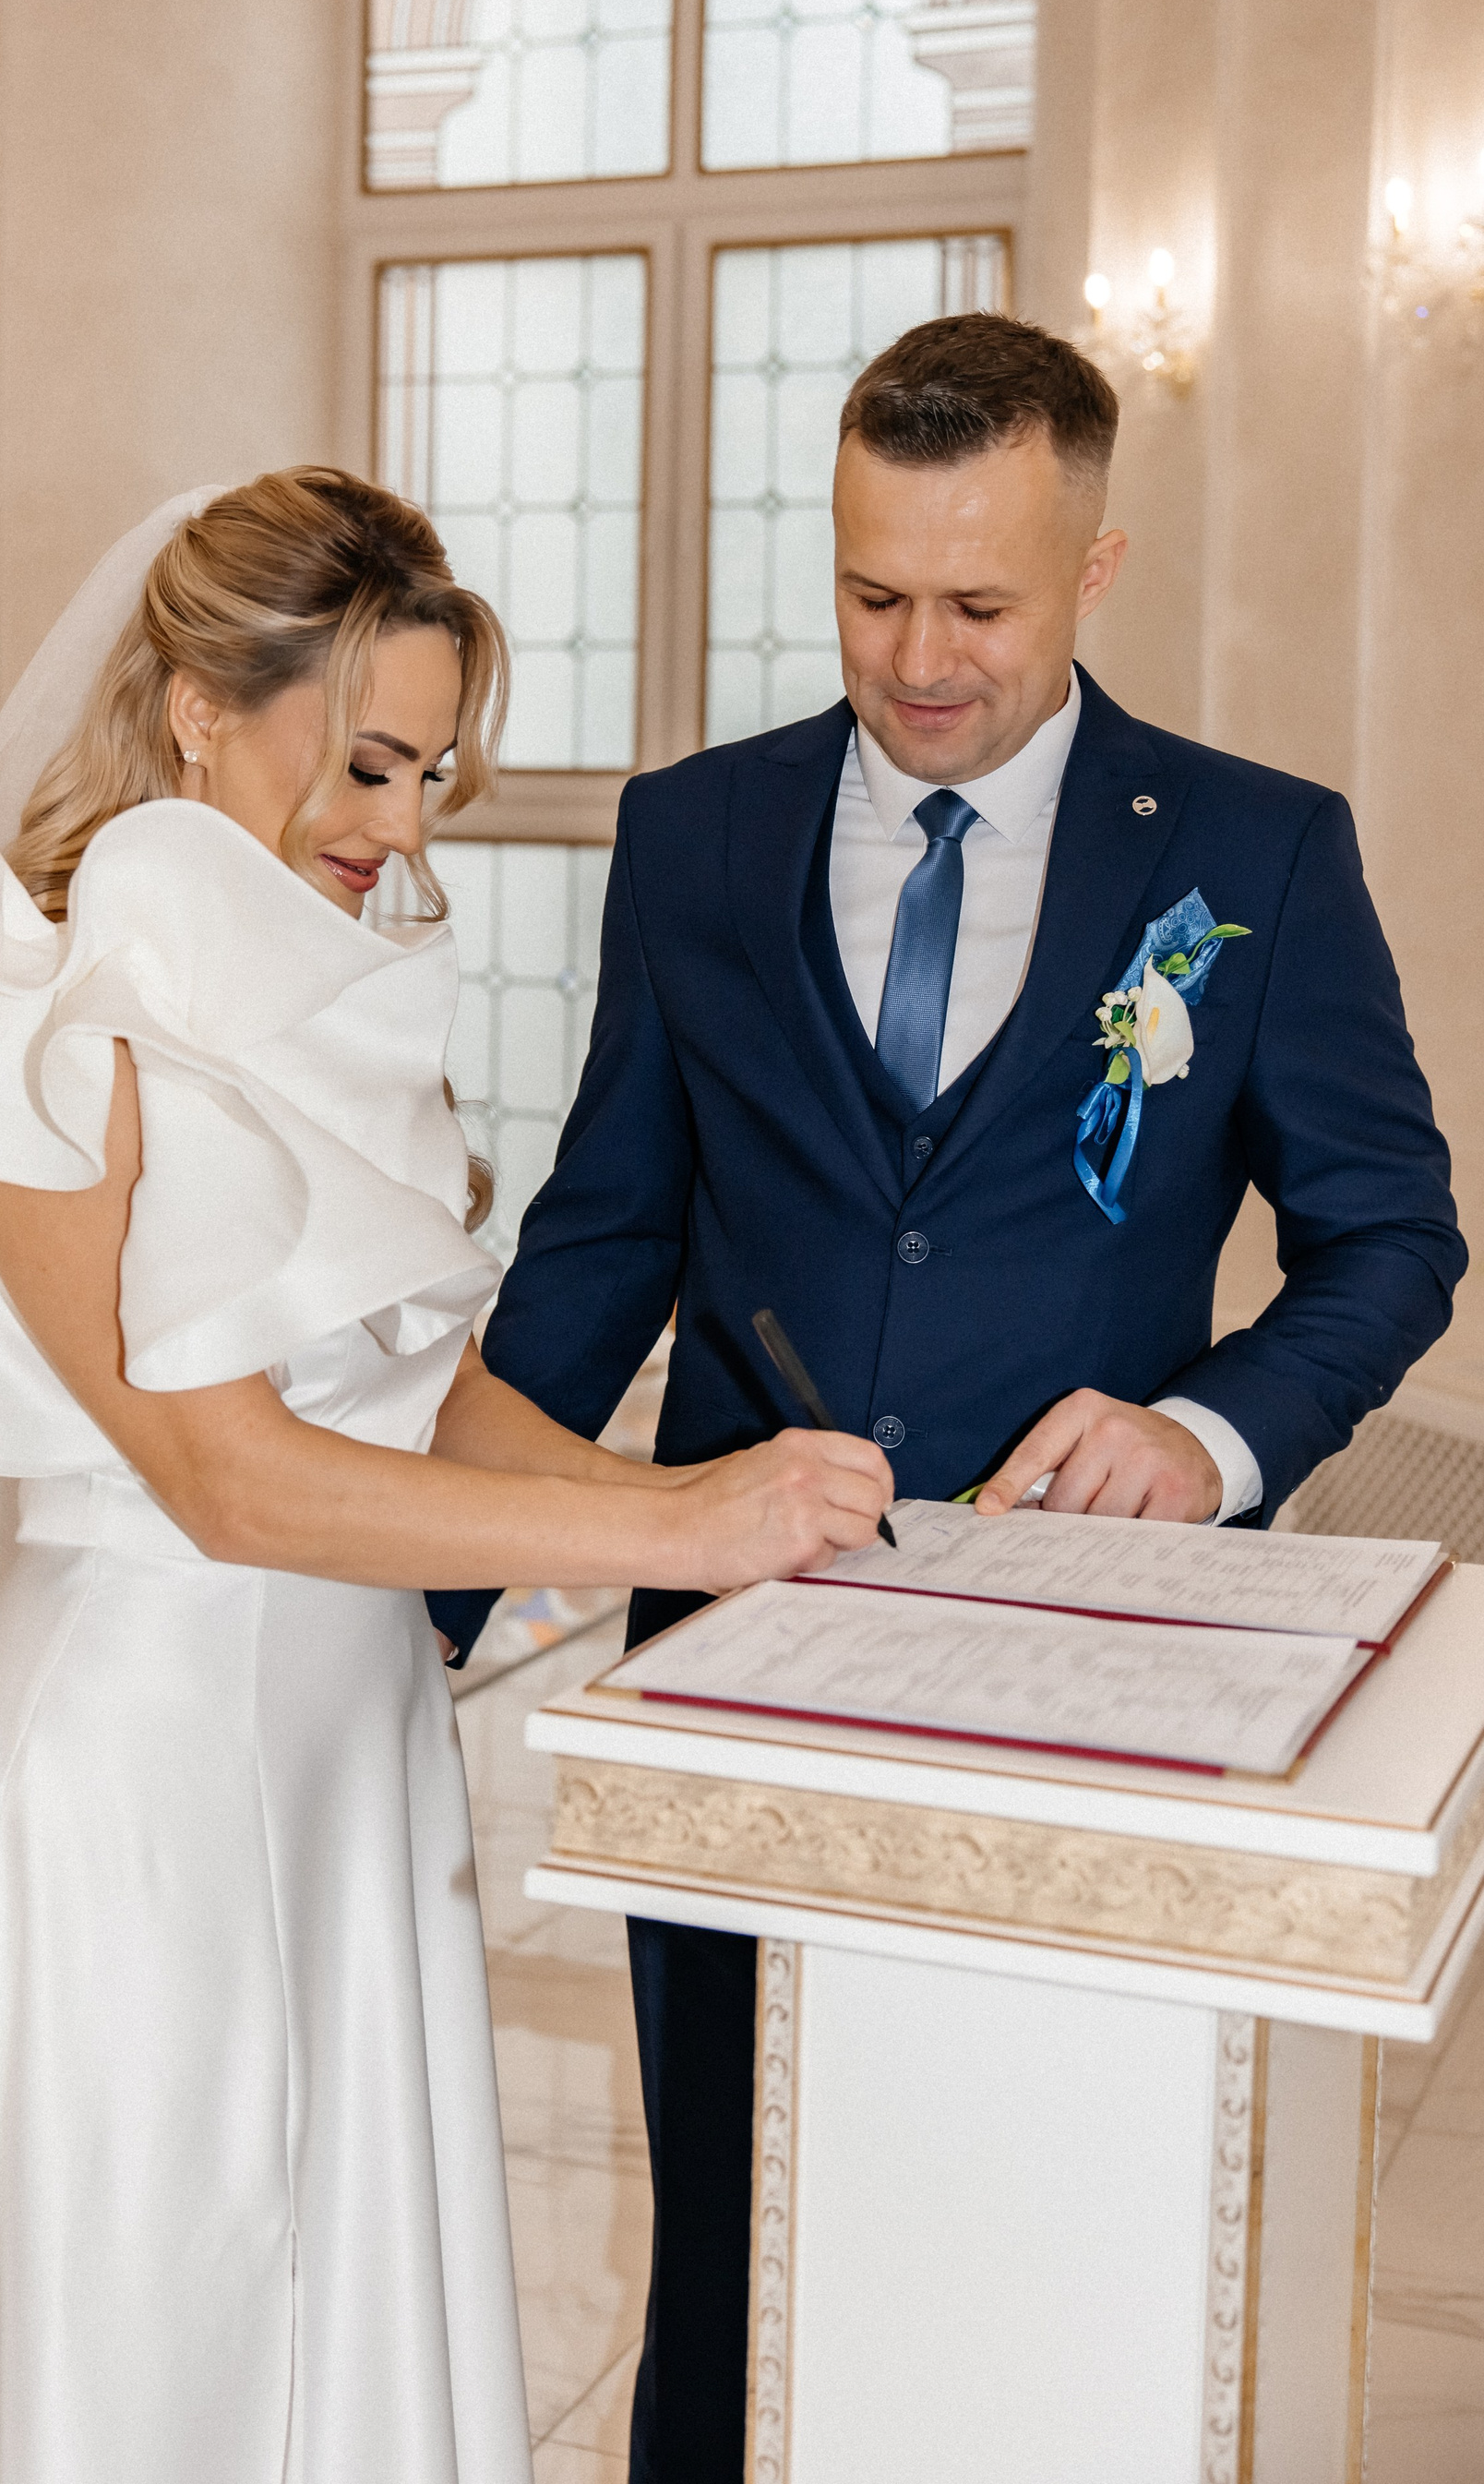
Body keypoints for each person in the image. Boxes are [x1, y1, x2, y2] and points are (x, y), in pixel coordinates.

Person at [0, 468, 893, 2484]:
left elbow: (425, 1400)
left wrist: (706, 1510)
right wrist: (682, 1523)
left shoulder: (325, 1003)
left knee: (327, 2307)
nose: (404, 828)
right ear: (199, 704)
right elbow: (228, 1480)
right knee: (145, 2325)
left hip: (351, 1752)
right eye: (367, 765)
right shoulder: (39, 1019)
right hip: (134, 1773)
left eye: (431, 775)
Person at [437, 314, 1467, 2481]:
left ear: (1095, 569)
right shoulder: (698, 834)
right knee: (734, 2246)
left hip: (1101, 1671)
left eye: (980, 606)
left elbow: (1390, 1239)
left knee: (1035, 2231)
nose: (919, 660)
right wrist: (420, 1599)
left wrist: (1204, 1435)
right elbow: (605, 1237)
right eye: (872, 593)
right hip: (733, 1658)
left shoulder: (1256, 853)